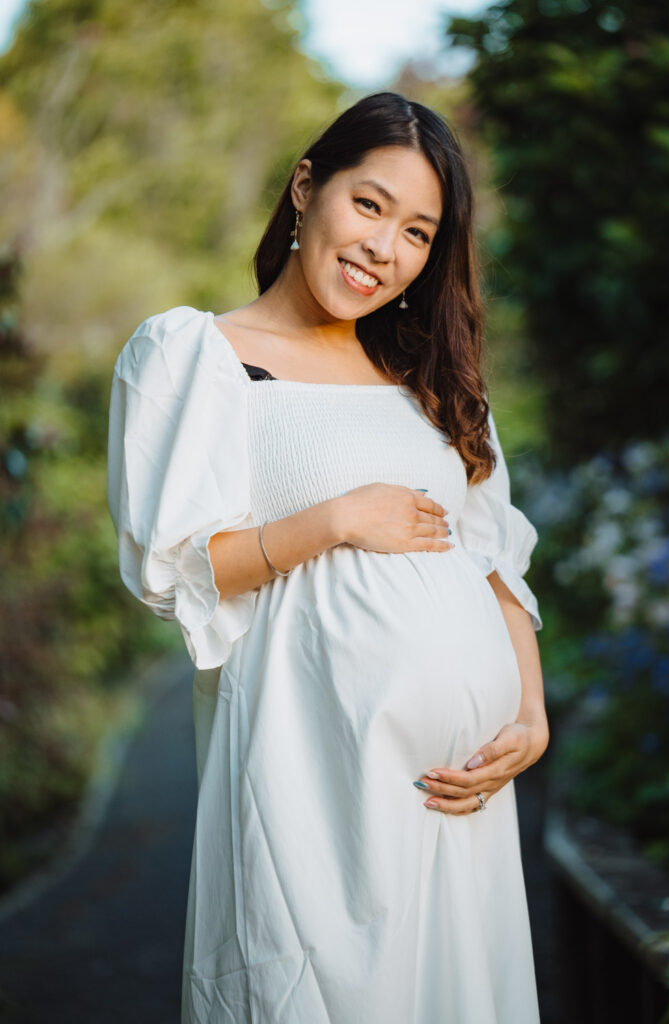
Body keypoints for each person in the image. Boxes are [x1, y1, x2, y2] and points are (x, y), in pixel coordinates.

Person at [107, 91, 549, 1024]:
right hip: (311, 777)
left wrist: (531, 712)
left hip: (461, 798)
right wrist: (336, 517)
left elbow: (494, 557)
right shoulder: (201, 354)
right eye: (370, 204)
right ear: (307, 186)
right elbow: (174, 570)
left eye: (419, 233)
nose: (384, 248)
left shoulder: (430, 383)